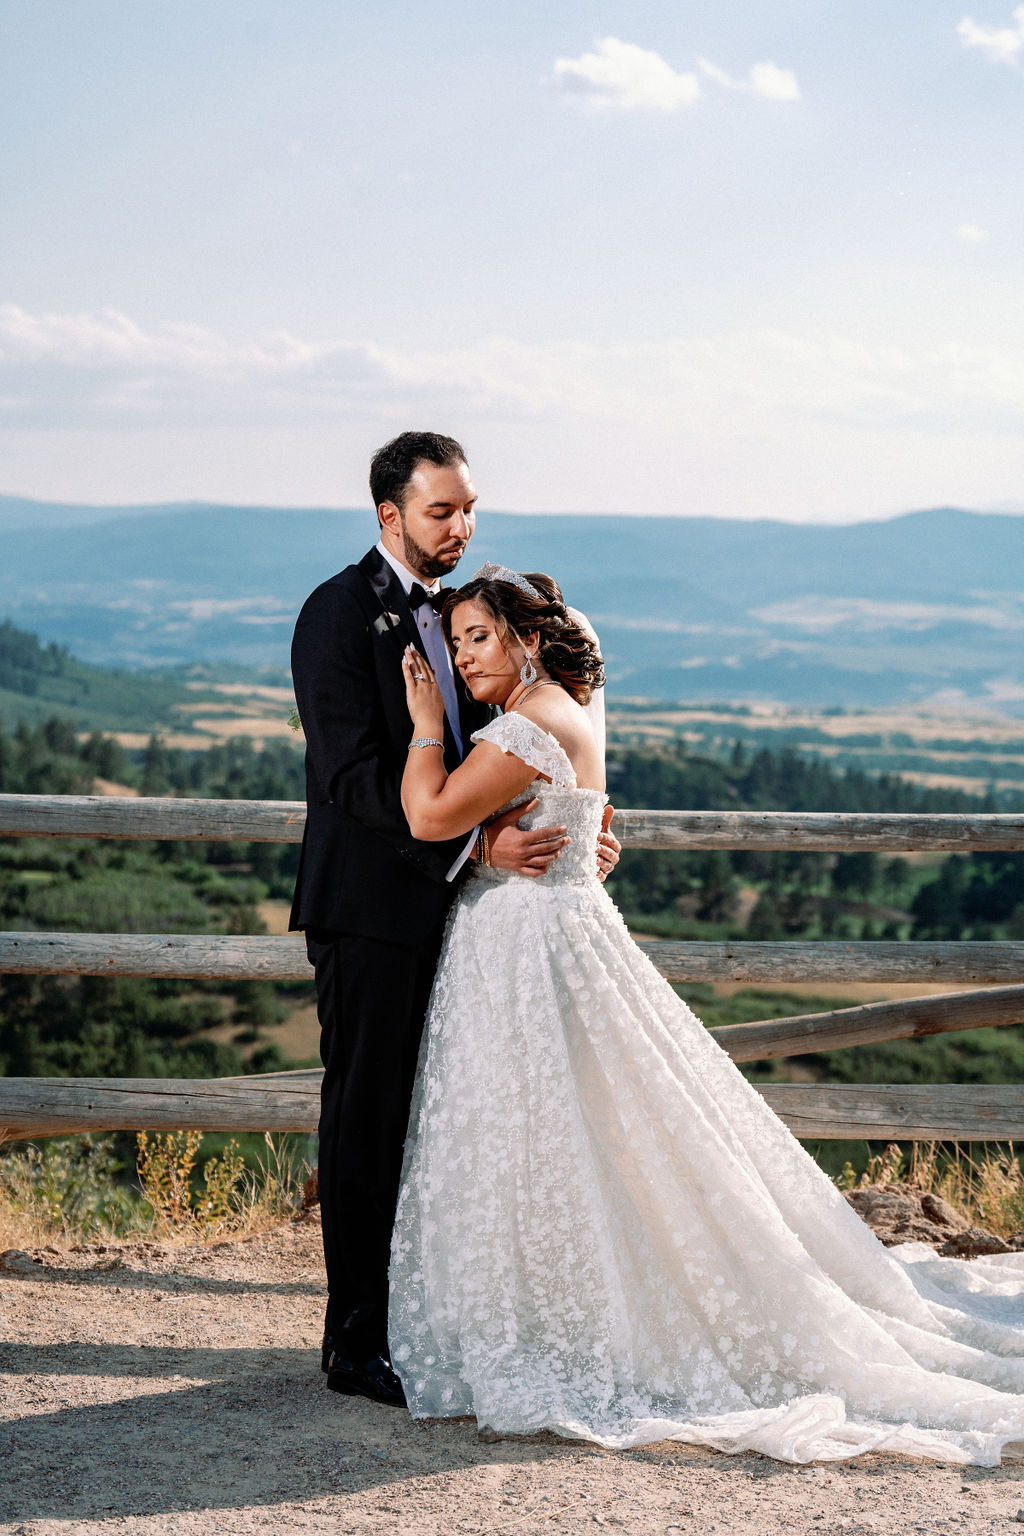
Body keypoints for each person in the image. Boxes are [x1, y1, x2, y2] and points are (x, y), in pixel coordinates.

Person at [388, 564, 1024, 1466]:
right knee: (572, 1128)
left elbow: (427, 816)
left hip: (531, 950)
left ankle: (570, 1317)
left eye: (478, 637)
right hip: (542, 938)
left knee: (550, 1126)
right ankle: (563, 1302)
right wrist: (491, 849)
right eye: (454, 642)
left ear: (526, 640)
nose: (461, 657)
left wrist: (422, 731)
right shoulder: (556, 710)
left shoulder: (529, 723)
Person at [289, 431, 619, 1408]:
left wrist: (577, 824)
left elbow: (532, 737)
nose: (462, 526)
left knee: (455, 1118)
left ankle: (442, 1317)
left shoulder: (479, 614)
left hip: (482, 924)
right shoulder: (337, 614)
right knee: (369, 1117)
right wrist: (475, 848)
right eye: (442, 512)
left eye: (469, 507)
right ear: (388, 515)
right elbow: (348, 779)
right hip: (373, 912)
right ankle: (355, 1340)